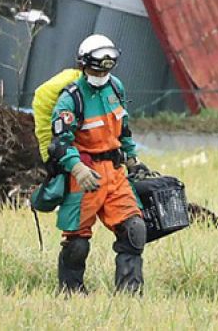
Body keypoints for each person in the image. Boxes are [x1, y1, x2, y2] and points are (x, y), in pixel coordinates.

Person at [41, 34, 149, 295]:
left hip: (114, 172)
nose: (101, 73)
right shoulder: (71, 99)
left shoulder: (116, 88)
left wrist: (133, 161)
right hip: (84, 176)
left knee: (134, 229)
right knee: (77, 242)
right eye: (96, 67)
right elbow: (59, 144)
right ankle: (71, 292)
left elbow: (123, 128)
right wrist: (76, 168)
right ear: (83, 65)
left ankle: (129, 295)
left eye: (107, 67)